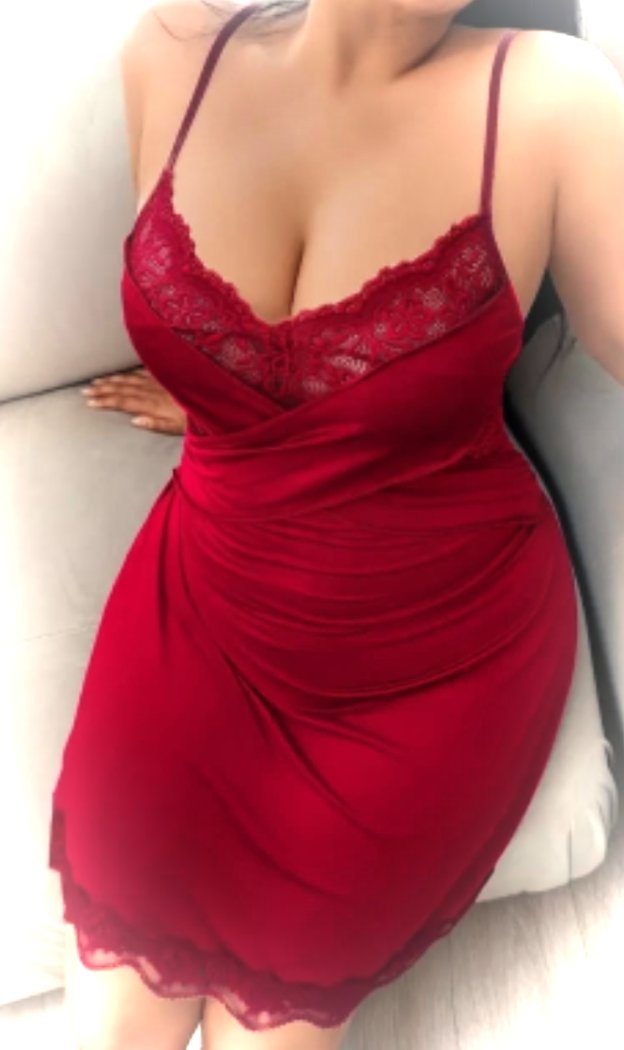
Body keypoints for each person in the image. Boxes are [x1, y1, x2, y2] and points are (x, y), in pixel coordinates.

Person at [51, 2, 624, 1050]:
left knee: (268, 1030)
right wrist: (226, 384)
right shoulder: (172, 50)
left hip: (434, 657)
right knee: (109, 1031)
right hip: (205, 607)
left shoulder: (557, 100)